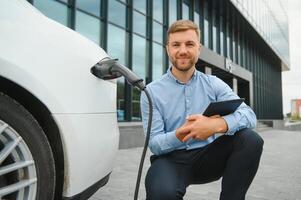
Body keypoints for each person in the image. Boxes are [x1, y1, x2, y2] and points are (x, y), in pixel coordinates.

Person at [140, 19, 264, 200]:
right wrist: (181, 134)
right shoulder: (151, 92)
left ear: (199, 48)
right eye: (176, 45)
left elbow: (249, 115)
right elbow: (155, 144)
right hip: (170, 160)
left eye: (189, 44)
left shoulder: (214, 84)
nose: (183, 51)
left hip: (208, 158)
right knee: (161, 194)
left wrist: (216, 125)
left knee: (251, 140)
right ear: (168, 49)